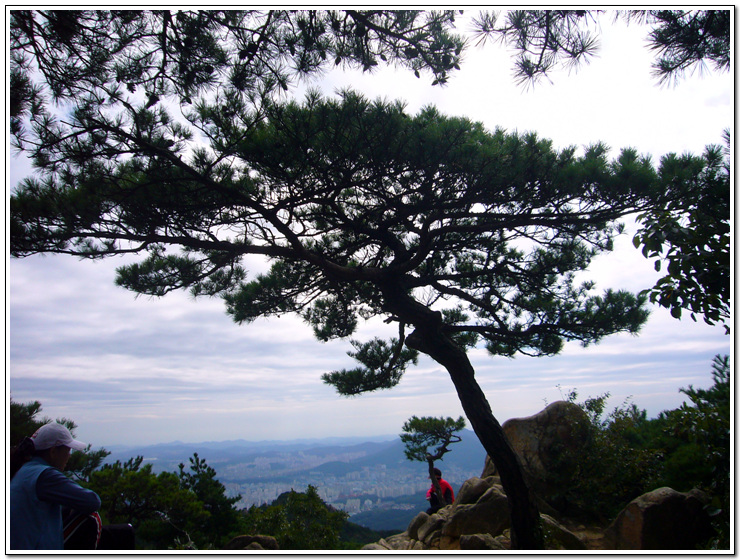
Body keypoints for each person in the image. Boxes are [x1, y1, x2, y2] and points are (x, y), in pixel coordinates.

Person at [10, 423, 102, 550]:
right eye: (68, 450)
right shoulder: (45, 475)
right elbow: (92, 501)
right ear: (53, 452)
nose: (69, 455)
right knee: (92, 517)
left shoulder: (25, 470)